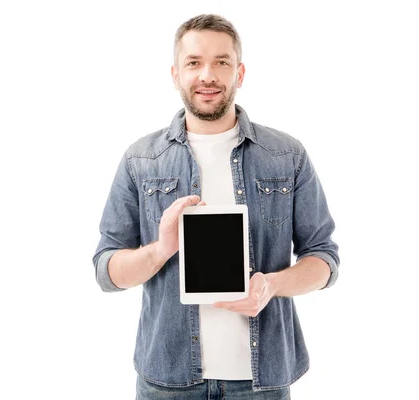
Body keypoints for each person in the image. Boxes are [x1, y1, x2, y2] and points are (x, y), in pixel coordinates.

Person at [92, 13, 339, 399]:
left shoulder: (286, 156)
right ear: (175, 74)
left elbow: (324, 260)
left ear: (239, 73)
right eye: (194, 63)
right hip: (167, 380)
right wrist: (161, 250)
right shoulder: (141, 160)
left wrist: (270, 285)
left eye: (221, 62)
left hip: (260, 383)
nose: (207, 75)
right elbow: (107, 272)